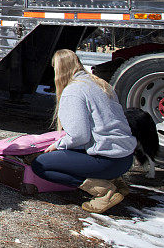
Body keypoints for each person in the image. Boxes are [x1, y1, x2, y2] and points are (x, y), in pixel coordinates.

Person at [32, 49, 136, 213]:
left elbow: (79, 135)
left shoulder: (73, 91)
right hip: (125, 158)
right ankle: (115, 181)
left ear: (58, 69)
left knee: (41, 165)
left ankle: (103, 191)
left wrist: (58, 145)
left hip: (107, 161)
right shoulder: (99, 83)